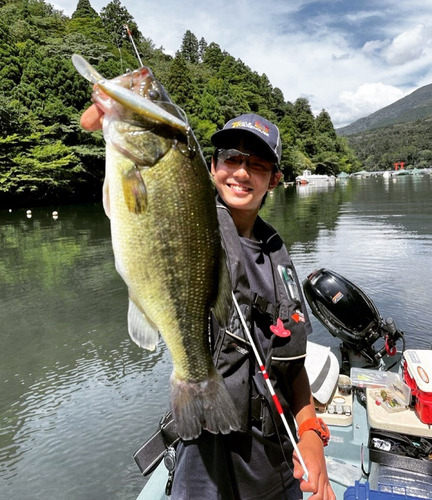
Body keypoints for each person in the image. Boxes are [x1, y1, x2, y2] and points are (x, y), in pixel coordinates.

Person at [81, 105, 335, 500]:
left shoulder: (277, 255)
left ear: (275, 180)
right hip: (205, 452)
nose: (241, 172)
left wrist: (310, 430)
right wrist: (121, 125)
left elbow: (293, 365)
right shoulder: (192, 219)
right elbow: (140, 201)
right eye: (230, 159)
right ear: (212, 167)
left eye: (257, 164)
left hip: (274, 459)